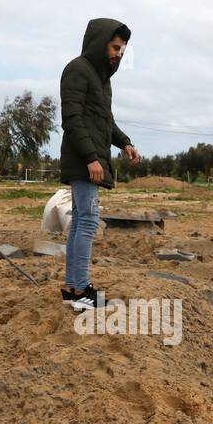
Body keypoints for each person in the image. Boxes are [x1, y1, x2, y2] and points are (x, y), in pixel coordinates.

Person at [58, 17, 140, 310]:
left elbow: (106, 122)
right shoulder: (77, 70)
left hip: (90, 159)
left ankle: (74, 287)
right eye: (115, 47)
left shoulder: (102, 80)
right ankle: (81, 292)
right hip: (84, 161)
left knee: (81, 221)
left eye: (123, 50)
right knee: (89, 221)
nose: (119, 54)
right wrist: (92, 158)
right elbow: (72, 119)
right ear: (100, 42)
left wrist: (125, 142)